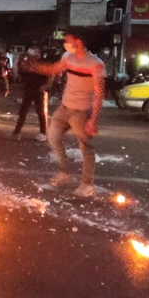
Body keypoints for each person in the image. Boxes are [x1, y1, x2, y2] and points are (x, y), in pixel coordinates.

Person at [27, 32, 105, 198]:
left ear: (81, 41)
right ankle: (64, 172)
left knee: (86, 148)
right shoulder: (68, 57)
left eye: (70, 40)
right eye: (66, 40)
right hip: (65, 107)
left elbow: (99, 93)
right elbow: (54, 69)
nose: (67, 43)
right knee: (52, 137)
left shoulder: (96, 64)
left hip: (82, 111)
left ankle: (87, 184)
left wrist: (93, 120)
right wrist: (34, 66)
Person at [11, 47, 50, 141]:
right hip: (29, 89)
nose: (30, 58)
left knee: (40, 112)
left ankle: (43, 133)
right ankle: (16, 132)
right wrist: (20, 63)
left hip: (38, 90)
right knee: (23, 111)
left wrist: (45, 86)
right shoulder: (29, 63)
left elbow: (49, 76)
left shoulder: (43, 63)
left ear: (37, 54)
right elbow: (22, 73)